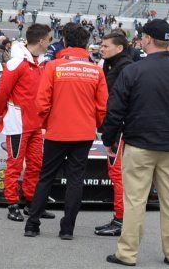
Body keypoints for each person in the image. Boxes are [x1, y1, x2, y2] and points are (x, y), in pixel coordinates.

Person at [100, 20, 169, 267]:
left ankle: (128, 253)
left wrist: (109, 139)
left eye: (143, 37)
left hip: (140, 144)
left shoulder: (133, 70)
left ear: (147, 40)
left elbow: (116, 109)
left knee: (135, 200)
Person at [23, 23, 106, 240]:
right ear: (86, 45)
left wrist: (46, 123)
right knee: (75, 180)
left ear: (65, 42)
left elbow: (41, 102)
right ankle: (67, 229)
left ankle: (32, 224)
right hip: (84, 133)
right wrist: (95, 125)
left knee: (46, 177)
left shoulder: (53, 66)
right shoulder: (96, 70)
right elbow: (102, 106)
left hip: (56, 131)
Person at [0, 23, 48, 221]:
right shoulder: (16, 63)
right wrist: (1, 115)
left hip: (36, 124)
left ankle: (31, 203)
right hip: (18, 123)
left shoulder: (42, 63)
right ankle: (12, 203)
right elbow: (0, 94)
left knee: (36, 164)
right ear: (41, 41)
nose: (50, 43)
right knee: (15, 164)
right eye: (48, 39)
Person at [94, 29, 137, 237]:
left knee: (117, 174)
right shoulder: (114, 65)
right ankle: (120, 218)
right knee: (117, 174)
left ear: (119, 48)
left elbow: (115, 104)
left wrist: (109, 134)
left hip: (120, 129)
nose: (101, 49)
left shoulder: (124, 68)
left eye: (105, 46)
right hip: (119, 127)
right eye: (101, 45)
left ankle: (121, 220)